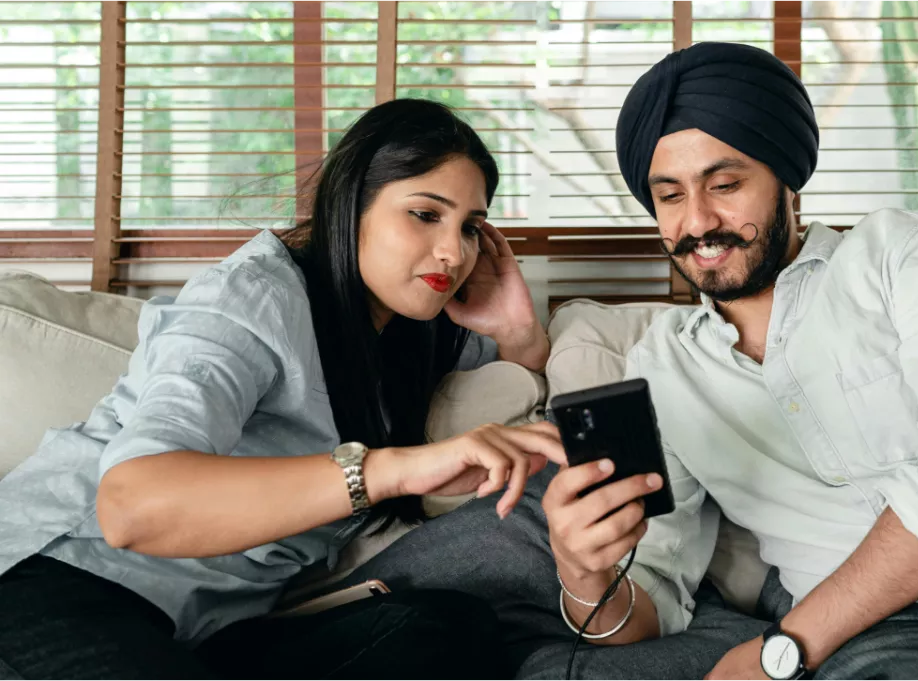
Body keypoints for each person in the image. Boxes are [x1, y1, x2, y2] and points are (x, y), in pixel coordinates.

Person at [347, 42, 918, 681]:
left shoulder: (906, 255)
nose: (698, 221)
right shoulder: (662, 372)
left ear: (788, 179)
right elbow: (653, 604)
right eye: (670, 195)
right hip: (904, 649)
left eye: (727, 182)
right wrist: (585, 577)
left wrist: (789, 645)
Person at [0, 98, 566, 681]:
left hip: (214, 631)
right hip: (64, 580)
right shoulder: (249, 300)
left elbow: (522, 361)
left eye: (470, 227)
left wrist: (517, 330)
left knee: (449, 628)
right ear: (351, 207)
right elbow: (130, 505)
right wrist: (390, 470)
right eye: (425, 214)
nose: (454, 251)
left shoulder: (415, 334)